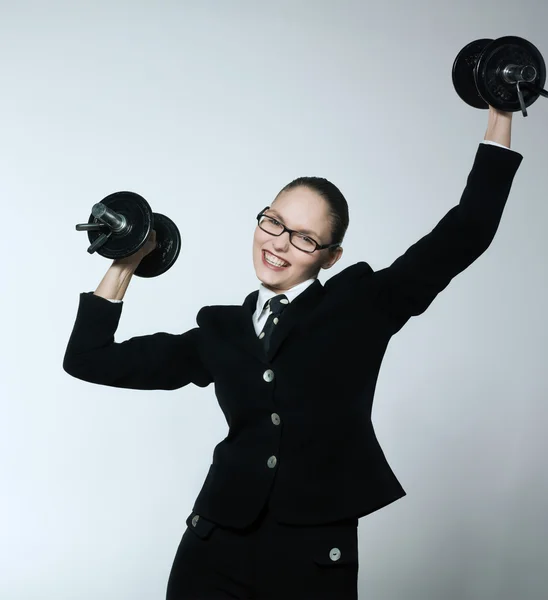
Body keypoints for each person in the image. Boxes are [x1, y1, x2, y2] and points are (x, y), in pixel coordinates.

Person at [63, 105, 522, 599]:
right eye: (273, 222)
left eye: (304, 237)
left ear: (331, 256)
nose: (278, 244)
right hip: (214, 542)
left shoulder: (363, 306)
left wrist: (500, 113)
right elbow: (88, 359)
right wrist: (126, 261)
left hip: (313, 553)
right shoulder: (220, 330)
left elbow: (467, 231)